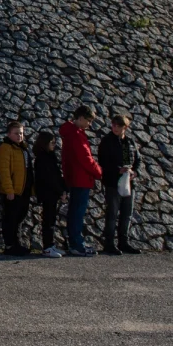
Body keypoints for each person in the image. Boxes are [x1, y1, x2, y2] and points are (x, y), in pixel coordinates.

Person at [61, 105, 103, 257]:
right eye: (88, 121)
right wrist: (99, 172)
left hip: (74, 177)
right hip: (81, 178)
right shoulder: (76, 135)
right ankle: (77, 244)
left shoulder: (70, 133)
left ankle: (75, 242)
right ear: (80, 118)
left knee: (74, 211)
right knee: (77, 213)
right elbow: (86, 158)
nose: (89, 124)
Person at [97, 114, 142, 255]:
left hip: (129, 181)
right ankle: (109, 243)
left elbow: (138, 159)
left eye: (118, 126)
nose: (115, 128)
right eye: (113, 125)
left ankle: (124, 241)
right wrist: (117, 169)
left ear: (125, 128)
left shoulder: (130, 142)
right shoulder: (107, 141)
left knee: (127, 213)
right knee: (112, 213)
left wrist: (135, 172)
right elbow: (103, 161)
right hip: (113, 182)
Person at [0, 121, 33, 256]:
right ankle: (10, 245)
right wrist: (9, 190)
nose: (19, 136)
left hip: (23, 190)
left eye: (21, 133)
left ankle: (17, 243)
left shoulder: (22, 149)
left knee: (19, 218)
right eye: (16, 133)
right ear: (9, 134)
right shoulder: (5, 148)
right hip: (13, 191)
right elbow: (4, 171)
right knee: (11, 218)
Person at [32, 131, 66, 258]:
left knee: (51, 219)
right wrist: (60, 191)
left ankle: (50, 244)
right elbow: (50, 177)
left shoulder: (49, 156)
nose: (54, 145)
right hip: (48, 192)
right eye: (52, 142)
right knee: (48, 220)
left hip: (52, 192)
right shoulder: (43, 158)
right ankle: (47, 246)